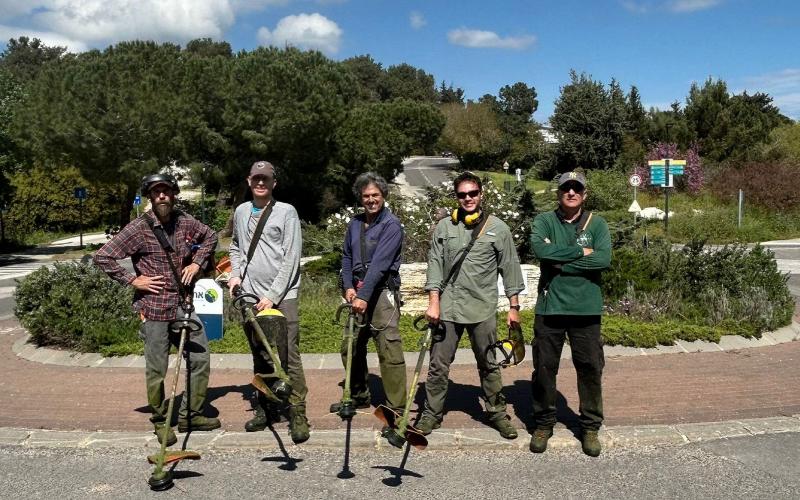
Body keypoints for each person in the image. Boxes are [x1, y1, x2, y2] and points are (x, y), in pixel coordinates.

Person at [94, 173, 220, 446]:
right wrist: (132, 279)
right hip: (153, 309)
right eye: (156, 192)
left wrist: (197, 263)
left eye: (166, 191)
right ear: (150, 197)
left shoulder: (185, 221)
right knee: (156, 369)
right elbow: (103, 255)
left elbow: (210, 235)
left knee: (200, 359)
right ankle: (161, 420)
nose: (162, 195)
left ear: (173, 194)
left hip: (184, 306)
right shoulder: (139, 228)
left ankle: (191, 414)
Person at [418, 171, 525, 439]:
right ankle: (431, 414)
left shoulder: (498, 228)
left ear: (481, 194)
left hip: (482, 309)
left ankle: (497, 413)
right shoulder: (444, 227)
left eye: (472, 193)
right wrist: (433, 302)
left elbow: (510, 269)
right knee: (438, 365)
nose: (468, 198)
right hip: (449, 308)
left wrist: (514, 308)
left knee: (489, 363)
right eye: (462, 194)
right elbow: (435, 265)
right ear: (456, 197)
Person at [529, 171, 611, 457]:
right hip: (550, 308)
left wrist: (561, 260)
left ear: (585, 194)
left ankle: (589, 427)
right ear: (559, 192)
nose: (572, 193)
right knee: (543, 369)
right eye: (567, 188)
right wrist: (581, 253)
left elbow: (604, 259)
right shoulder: (544, 221)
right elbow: (540, 250)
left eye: (577, 189)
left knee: (590, 368)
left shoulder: (597, 224)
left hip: (586, 310)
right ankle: (543, 423)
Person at [227, 160, 309, 444]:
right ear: (249, 181)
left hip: (282, 296)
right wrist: (235, 276)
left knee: (289, 355)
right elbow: (236, 246)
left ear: (274, 183)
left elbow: (291, 258)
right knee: (260, 354)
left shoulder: (287, 212)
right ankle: (266, 407)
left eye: (266, 179)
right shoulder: (240, 211)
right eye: (256, 179)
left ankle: (297, 412)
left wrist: (272, 296)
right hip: (249, 294)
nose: (261, 183)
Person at [331, 172, 407, 415]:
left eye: (375, 195)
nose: (371, 199)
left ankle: (395, 406)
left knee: (388, 349)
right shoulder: (354, 224)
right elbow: (346, 257)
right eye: (366, 196)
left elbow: (380, 264)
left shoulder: (392, 225)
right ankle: (358, 394)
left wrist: (363, 296)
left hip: (381, 294)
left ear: (383, 196)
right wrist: (348, 287)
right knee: (350, 346)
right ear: (360, 198)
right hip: (357, 293)